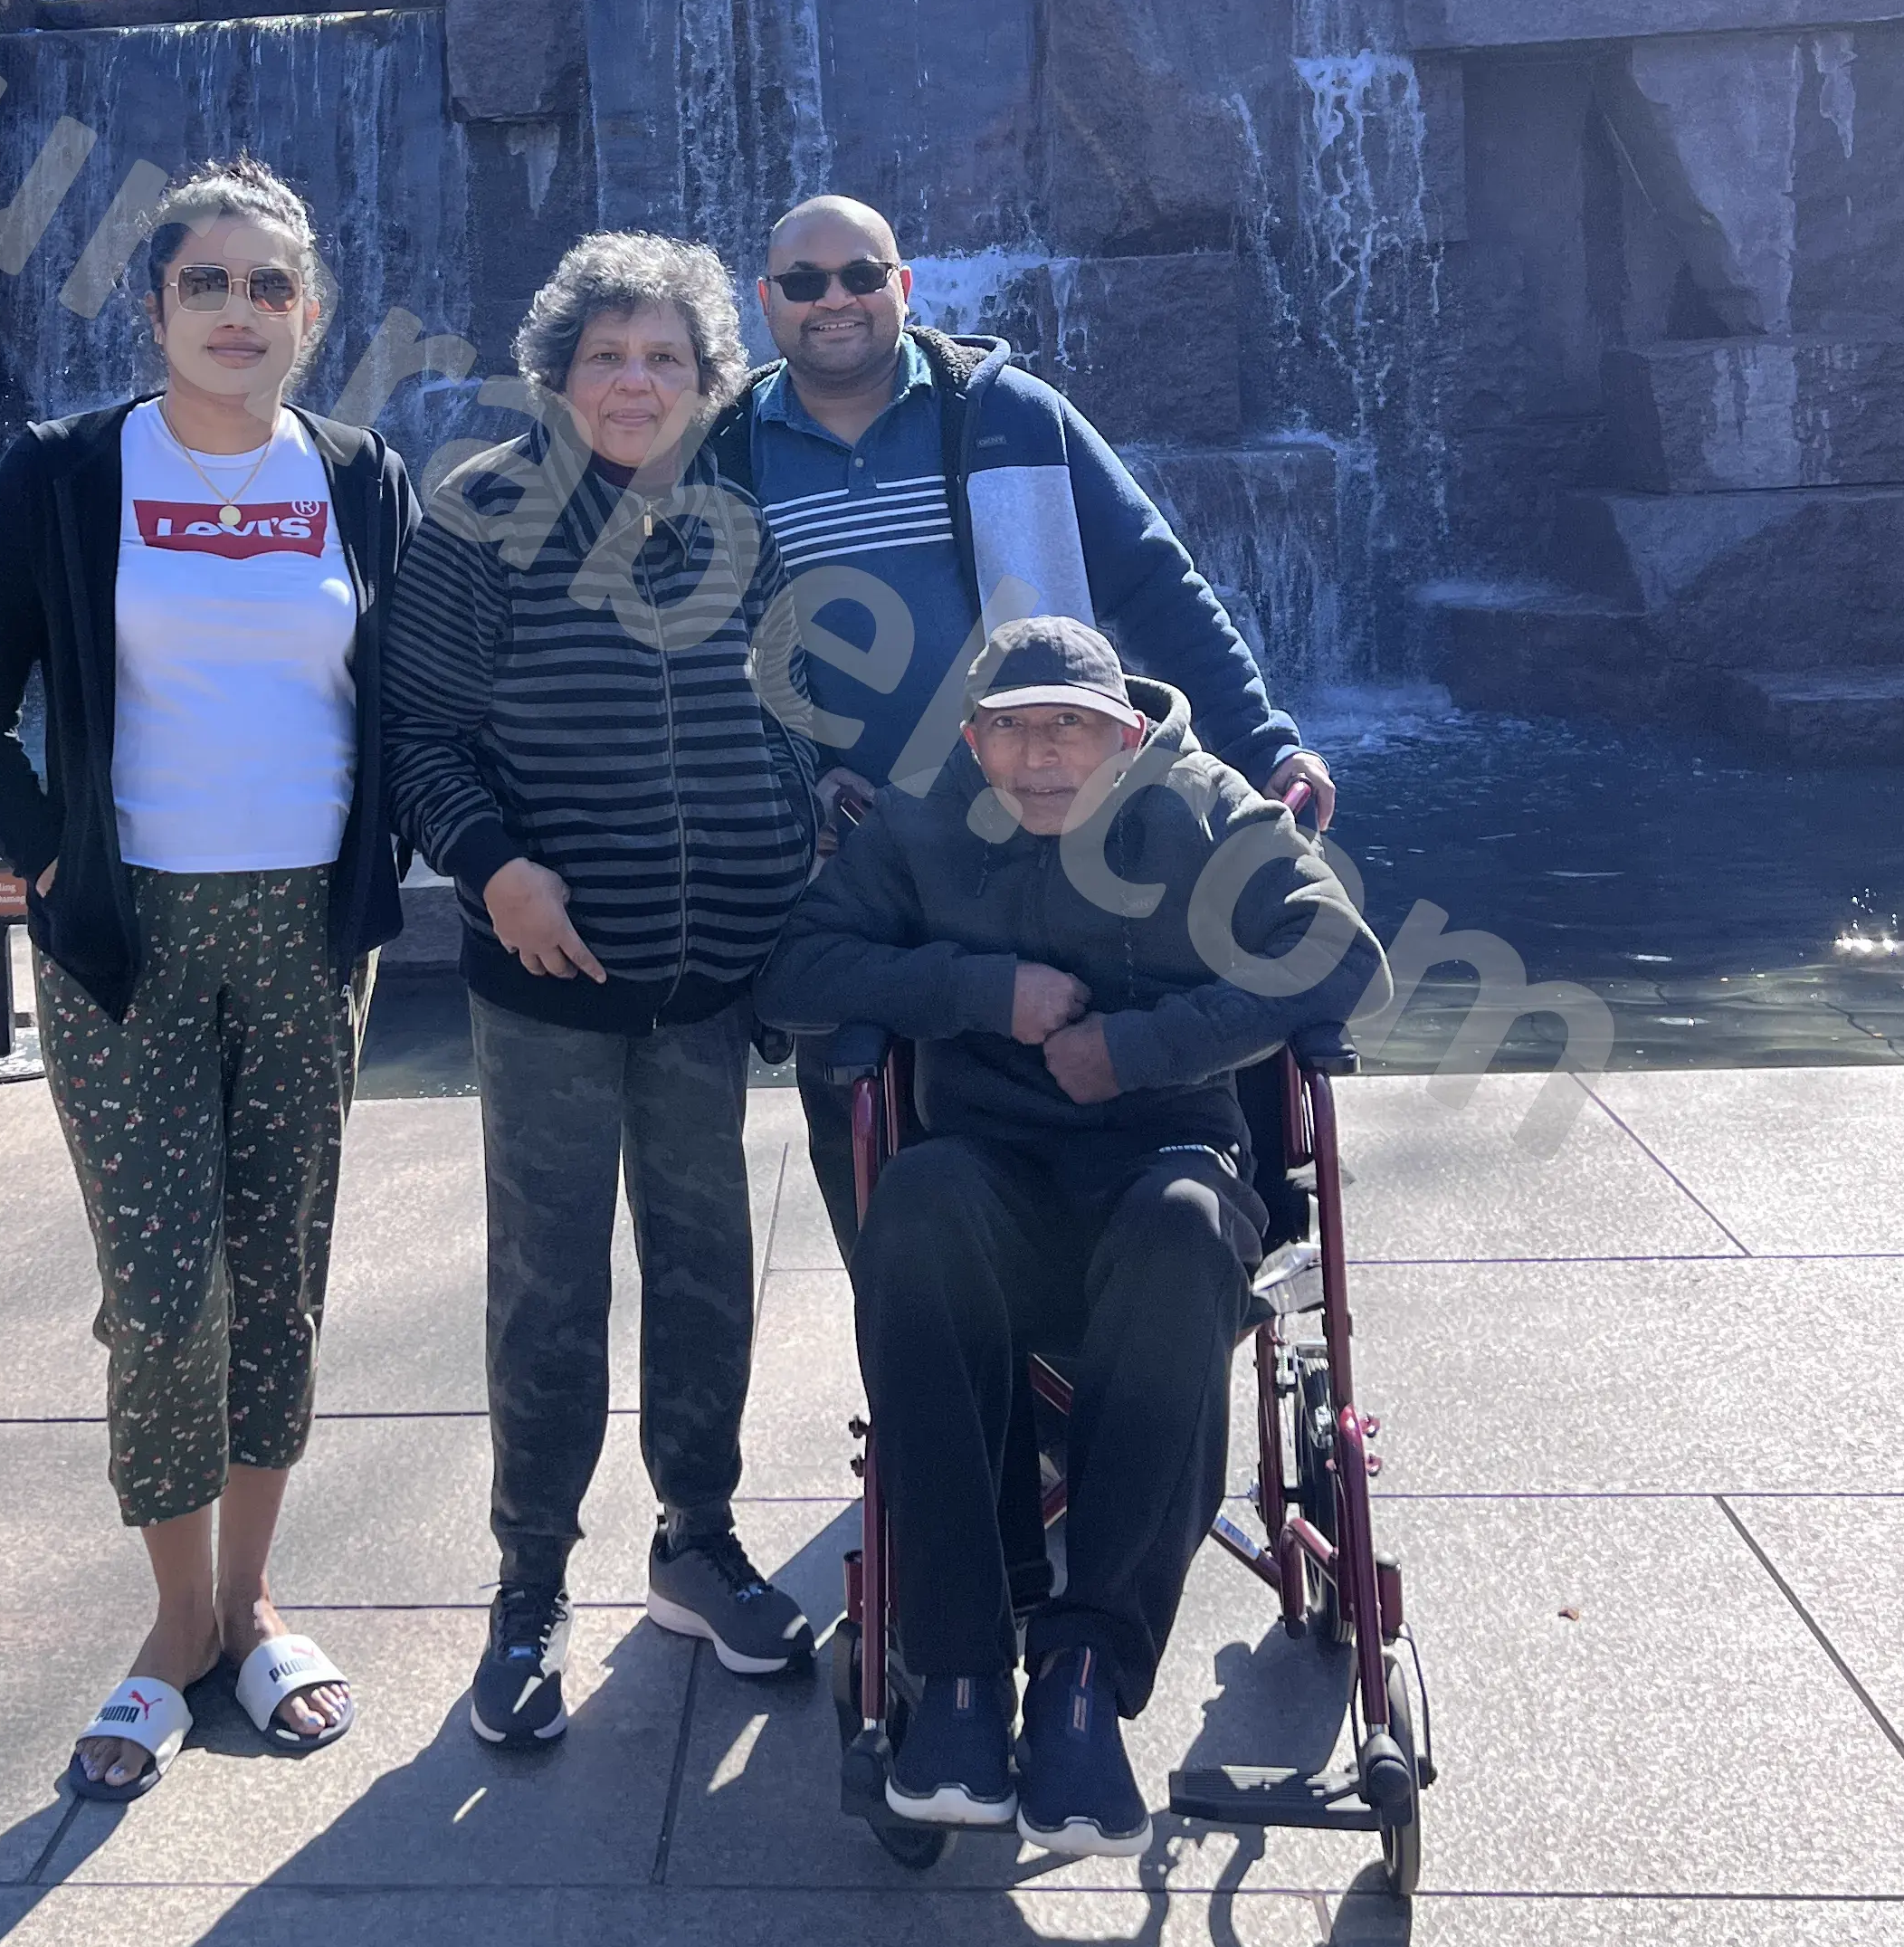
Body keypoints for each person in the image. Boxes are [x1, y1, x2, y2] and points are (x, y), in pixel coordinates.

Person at [0, 156, 415, 1799]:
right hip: (123, 935)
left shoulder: (359, 474)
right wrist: (55, 861)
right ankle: (173, 1622)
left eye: (267, 285)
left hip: (302, 932)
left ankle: (255, 1596)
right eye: (203, 283)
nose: (235, 310)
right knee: (161, 1290)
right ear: (152, 309)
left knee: (273, 1269)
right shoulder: (65, 474)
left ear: (310, 315)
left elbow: (406, 701)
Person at [757, 615, 1386, 1856]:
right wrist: (978, 990)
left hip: (1163, 1164)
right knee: (921, 1207)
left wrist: (1136, 1050)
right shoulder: (926, 821)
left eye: (1070, 728)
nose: (1041, 758)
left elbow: (1339, 951)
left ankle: (1086, 1678)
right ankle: (961, 1673)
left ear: (1127, 732)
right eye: (1011, 729)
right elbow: (796, 968)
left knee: (1184, 1226)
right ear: (974, 738)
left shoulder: (1207, 811)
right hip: (989, 1175)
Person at [703, 192, 1338, 1259]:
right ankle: (921, 1377)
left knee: (1071, 1093)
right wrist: (794, 776)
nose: (835, 300)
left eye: (861, 275)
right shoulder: (727, 452)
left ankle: (1114, 1348)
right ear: (766, 303)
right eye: (804, 283)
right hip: (855, 855)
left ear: (903, 288)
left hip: (1041, 828)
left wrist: (1266, 741)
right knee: (867, 1142)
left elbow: (1155, 582)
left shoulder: (1014, 415)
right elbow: (706, 655)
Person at [383, 231, 822, 1751]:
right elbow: (418, 736)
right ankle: (526, 1587)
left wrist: (807, 847)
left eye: (664, 359)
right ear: (554, 377)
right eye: (604, 357)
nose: (634, 382)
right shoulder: (479, 515)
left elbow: (784, 725)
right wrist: (493, 870)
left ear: (706, 382)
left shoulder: (736, 521)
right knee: (548, 1287)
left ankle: (693, 1540)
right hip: (550, 981)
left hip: (710, 986)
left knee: (705, 1270)